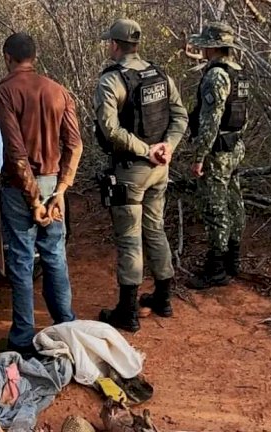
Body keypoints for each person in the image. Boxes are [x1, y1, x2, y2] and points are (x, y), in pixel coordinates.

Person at [0, 33, 83, 355]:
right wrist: (59, 191)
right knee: (55, 255)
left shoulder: (4, 93)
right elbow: (75, 144)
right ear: (34, 55)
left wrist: (34, 200)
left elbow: (17, 154)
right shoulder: (58, 91)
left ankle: (22, 338)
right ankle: (66, 326)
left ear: (7, 56)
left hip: (21, 188)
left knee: (20, 259)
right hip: (52, 184)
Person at [94, 19, 188, 332]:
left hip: (132, 170)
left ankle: (128, 311)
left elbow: (110, 129)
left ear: (115, 45)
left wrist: (146, 150)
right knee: (156, 229)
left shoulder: (112, 81)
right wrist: (167, 147)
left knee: (130, 239)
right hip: (160, 169)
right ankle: (163, 298)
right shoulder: (159, 74)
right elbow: (179, 116)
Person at [186, 22, 249, 290]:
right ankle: (232, 259)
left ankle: (217, 268)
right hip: (235, 146)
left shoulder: (216, 76)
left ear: (212, 46)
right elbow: (242, 114)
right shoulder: (239, 73)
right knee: (235, 201)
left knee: (215, 207)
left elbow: (210, 120)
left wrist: (200, 155)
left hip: (218, 150)